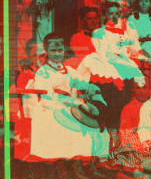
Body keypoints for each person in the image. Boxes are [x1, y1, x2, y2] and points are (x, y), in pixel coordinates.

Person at [30, 32, 103, 164]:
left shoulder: (68, 70)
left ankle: (83, 160)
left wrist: (88, 88)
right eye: (53, 50)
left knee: (86, 119)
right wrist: (68, 102)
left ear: (64, 50)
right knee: (69, 118)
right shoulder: (43, 72)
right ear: (46, 51)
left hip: (69, 105)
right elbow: (47, 98)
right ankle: (65, 162)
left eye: (60, 50)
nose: (57, 54)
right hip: (50, 107)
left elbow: (80, 82)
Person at [119, 77, 151, 146]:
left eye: (144, 87)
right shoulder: (128, 109)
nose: (141, 91)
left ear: (150, 89)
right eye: (138, 88)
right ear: (133, 89)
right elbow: (125, 137)